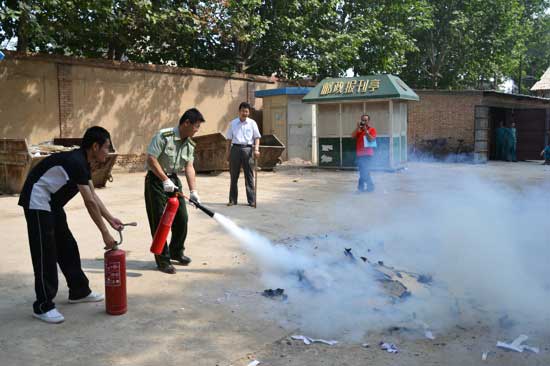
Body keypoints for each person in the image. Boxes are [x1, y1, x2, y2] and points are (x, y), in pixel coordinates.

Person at [18, 126, 124, 324]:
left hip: (52, 203)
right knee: (45, 251)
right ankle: (43, 306)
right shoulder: (76, 161)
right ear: (94, 146)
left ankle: (79, 291)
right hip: (37, 200)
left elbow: (93, 194)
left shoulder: (83, 162)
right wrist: (105, 234)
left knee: (67, 245)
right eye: (106, 147)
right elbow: (89, 202)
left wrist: (111, 219)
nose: (107, 152)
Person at [145, 108, 205, 274]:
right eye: (196, 126)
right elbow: (151, 158)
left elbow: (189, 166)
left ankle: (176, 251)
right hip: (156, 180)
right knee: (159, 221)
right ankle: (162, 260)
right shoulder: (164, 136)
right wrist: (164, 179)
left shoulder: (190, 143)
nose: (197, 130)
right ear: (186, 123)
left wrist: (193, 191)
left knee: (182, 218)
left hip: (174, 181)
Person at [225, 102, 261, 206]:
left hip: (248, 150)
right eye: (242, 111)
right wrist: (227, 152)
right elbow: (228, 139)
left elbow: (257, 137)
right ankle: (232, 200)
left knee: (249, 176)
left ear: (249, 112)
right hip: (235, 149)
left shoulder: (252, 123)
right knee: (234, 176)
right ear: (239, 111)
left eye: (246, 111)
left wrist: (256, 149)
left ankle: (251, 200)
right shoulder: (233, 123)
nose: (244, 113)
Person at [351, 114, 377, 192]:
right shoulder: (359, 130)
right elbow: (352, 136)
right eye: (363, 120)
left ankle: (362, 188)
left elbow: (371, 140)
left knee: (364, 171)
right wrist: (358, 127)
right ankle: (369, 187)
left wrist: (366, 131)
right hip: (360, 154)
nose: (364, 122)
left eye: (366, 120)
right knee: (363, 172)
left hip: (368, 154)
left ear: (368, 121)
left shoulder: (372, 130)